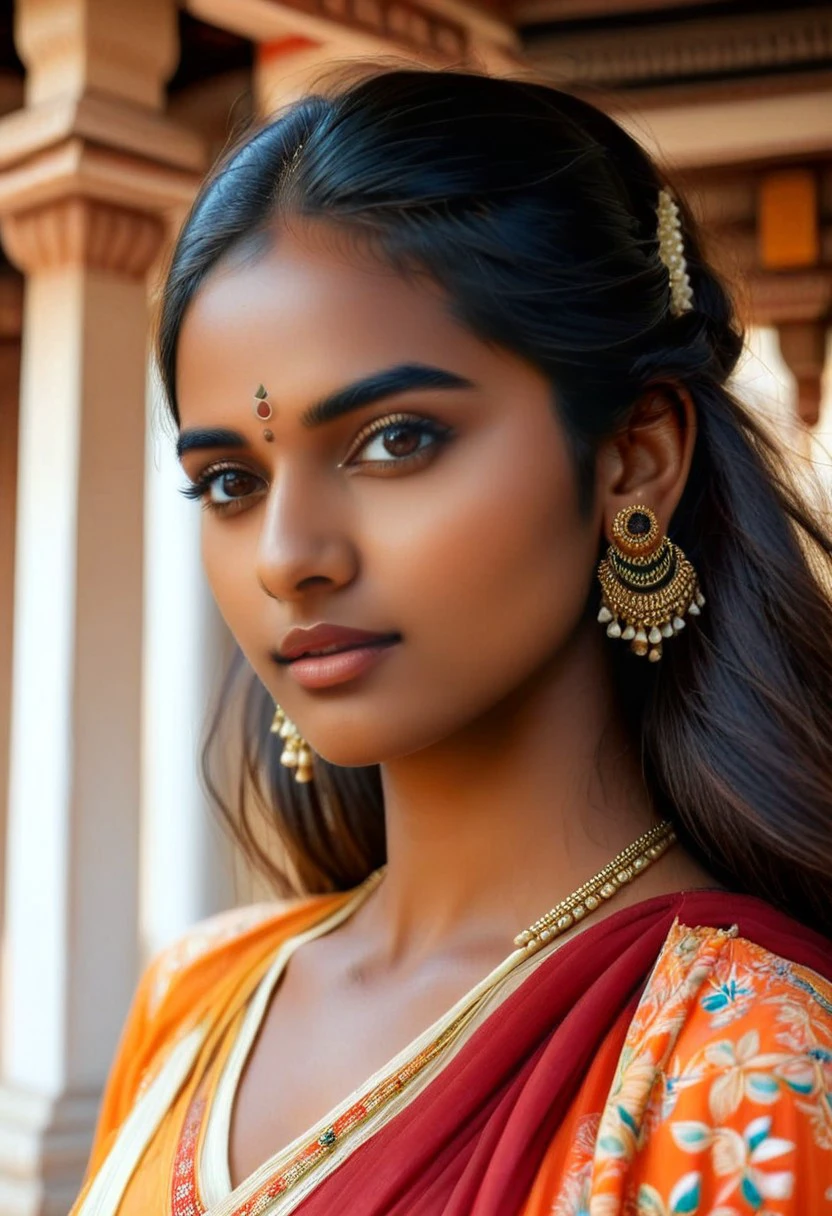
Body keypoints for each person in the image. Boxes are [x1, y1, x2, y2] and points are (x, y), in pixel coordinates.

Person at [71, 66, 832, 1216]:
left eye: (395, 440)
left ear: (635, 459)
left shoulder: (747, 1074)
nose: (287, 555)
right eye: (228, 479)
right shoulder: (198, 991)